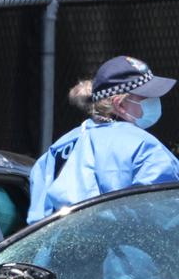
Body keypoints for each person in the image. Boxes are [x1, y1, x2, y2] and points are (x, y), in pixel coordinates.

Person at [27, 55, 179, 223]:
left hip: (64, 248)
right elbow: (165, 218)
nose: (155, 102)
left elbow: (38, 223)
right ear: (119, 105)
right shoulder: (144, 147)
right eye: (146, 97)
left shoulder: (56, 150)